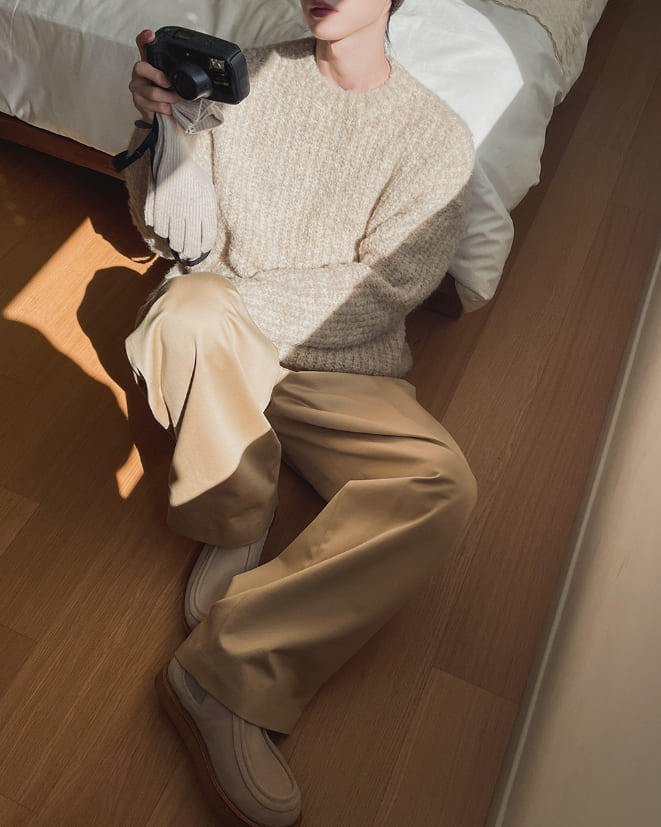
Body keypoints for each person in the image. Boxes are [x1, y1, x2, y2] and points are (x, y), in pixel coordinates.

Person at [123, 1, 477, 824]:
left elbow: (382, 292)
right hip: (219, 332)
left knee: (441, 484)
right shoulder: (240, 77)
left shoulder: (436, 139)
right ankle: (234, 515)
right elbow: (172, 239)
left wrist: (237, 308)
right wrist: (158, 132)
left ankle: (223, 674)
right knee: (185, 309)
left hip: (338, 363)